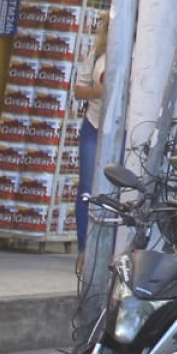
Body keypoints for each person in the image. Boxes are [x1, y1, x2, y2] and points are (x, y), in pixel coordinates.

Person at [72, 21, 107, 255]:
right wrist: (97, 92)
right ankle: (85, 248)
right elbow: (78, 90)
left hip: (125, 128)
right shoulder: (98, 54)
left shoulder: (144, 51)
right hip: (94, 123)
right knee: (87, 186)